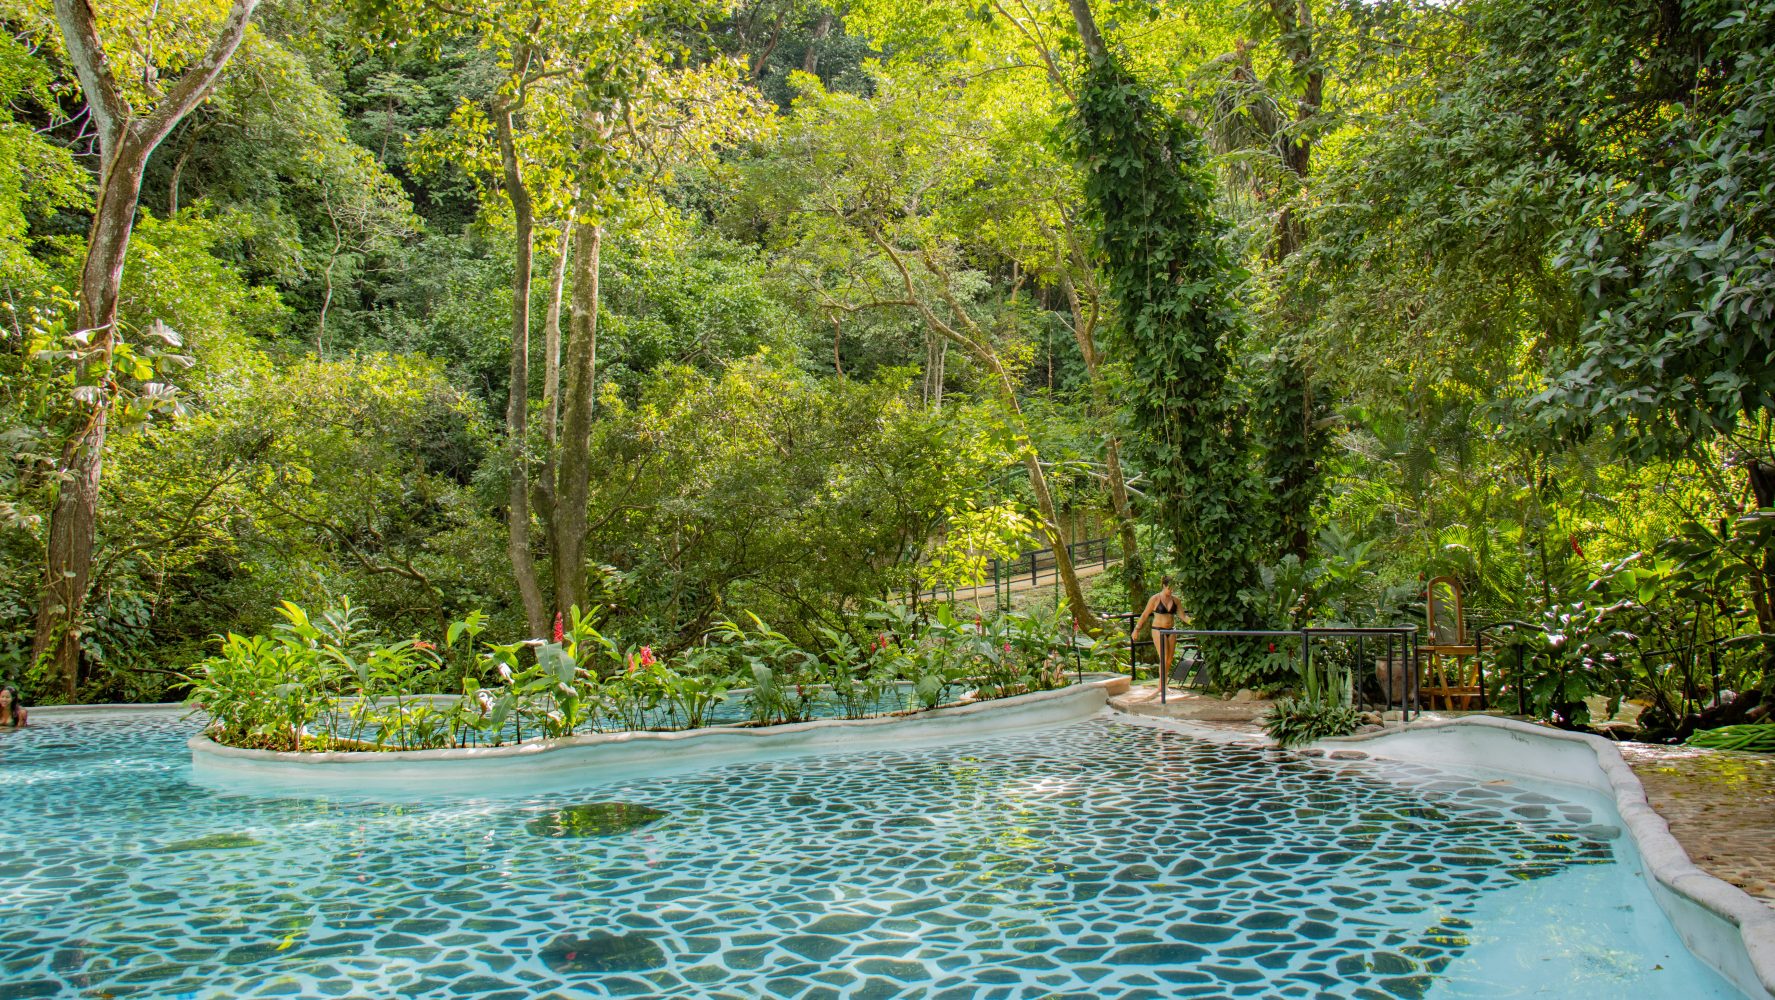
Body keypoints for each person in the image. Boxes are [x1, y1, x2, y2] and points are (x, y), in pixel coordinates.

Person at [1133, 578, 1188, 684]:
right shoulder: (1155, 598)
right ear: (1163, 585)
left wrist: (1194, 622)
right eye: (1169, 588)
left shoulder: (1176, 600)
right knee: (1164, 657)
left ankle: (1164, 683)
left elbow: (1183, 616)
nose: (1171, 590)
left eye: (1173, 588)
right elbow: (1144, 614)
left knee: (1169, 660)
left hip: (1171, 631)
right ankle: (1162, 686)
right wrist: (1136, 629)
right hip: (1158, 630)